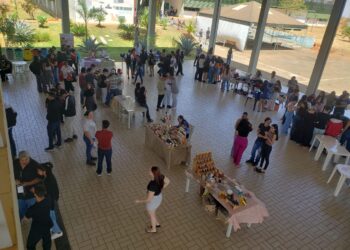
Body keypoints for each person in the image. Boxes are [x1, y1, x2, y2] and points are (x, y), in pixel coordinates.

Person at [135, 166, 170, 233]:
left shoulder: (152, 185)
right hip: (159, 197)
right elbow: (168, 181)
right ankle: (157, 224)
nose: (148, 171)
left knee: (151, 214)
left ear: (153, 173)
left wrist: (139, 201)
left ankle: (153, 229)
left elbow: (149, 200)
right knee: (152, 213)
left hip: (153, 201)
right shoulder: (161, 176)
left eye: (150, 171)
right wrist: (160, 188)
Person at [36, 163, 63, 240]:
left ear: (43, 171)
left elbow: (49, 194)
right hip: (52, 201)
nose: (37, 172)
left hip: (50, 202)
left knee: (50, 216)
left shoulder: (48, 180)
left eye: (38, 170)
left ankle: (58, 232)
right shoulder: (48, 176)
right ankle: (51, 227)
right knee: (52, 214)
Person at [13, 151, 41, 220]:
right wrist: (14, 180)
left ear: (29, 158)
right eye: (22, 160)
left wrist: (27, 183)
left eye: (26, 159)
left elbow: (39, 178)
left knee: (32, 208)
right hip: (19, 191)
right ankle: (23, 218)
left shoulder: (35, 165)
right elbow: (10, 173)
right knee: (21, 207)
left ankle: (31, 219)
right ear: (19, 159)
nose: (24, 162)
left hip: (31, 193)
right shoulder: (14, 163)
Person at [24, 184, 53, 250]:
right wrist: (36, 191)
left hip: (37, 228)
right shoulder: (48, 198)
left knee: (30, 245)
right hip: (47, 223)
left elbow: (25, 218)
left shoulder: (33, 209)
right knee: (47, 240)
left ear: (35, 195)